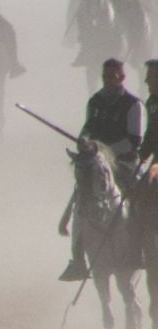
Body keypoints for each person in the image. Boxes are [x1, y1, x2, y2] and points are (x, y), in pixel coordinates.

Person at [62, 59, 144, 280]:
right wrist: (85, 142)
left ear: (122, 77)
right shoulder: (95, 101)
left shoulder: (133, 104)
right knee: (82, 198)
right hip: (98, 162)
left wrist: (104, 151)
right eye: (105, 76)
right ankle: (78, 259)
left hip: (125, 162)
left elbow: (133, 141)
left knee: (142, 198)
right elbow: (88, 128)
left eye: (112, 76)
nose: (108, 80)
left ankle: (141, 249)